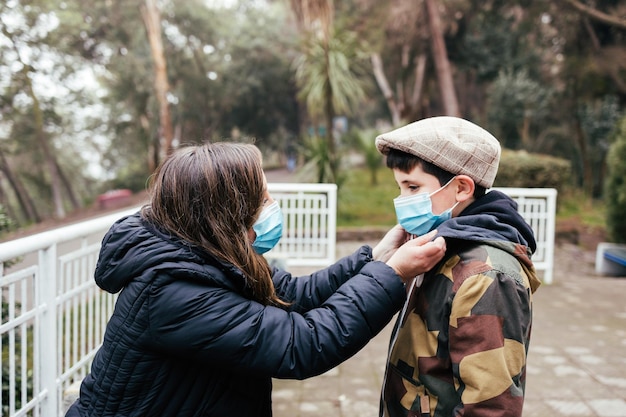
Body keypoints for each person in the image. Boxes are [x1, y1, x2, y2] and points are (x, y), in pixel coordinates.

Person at [65, 141, 447, 417]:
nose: (271, 208)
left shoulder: (208, 255)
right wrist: (393, 274)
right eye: (262, 200)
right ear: (227, 211)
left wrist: (374, 257)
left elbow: (296, 294)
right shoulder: (173, 291)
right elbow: (304, 343)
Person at [375, 116, 542, 417]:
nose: (401, 200)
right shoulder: (439, 245)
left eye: (412, 187)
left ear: (462, 188)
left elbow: (491, 407)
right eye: (400, 187)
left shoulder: (486, 276)